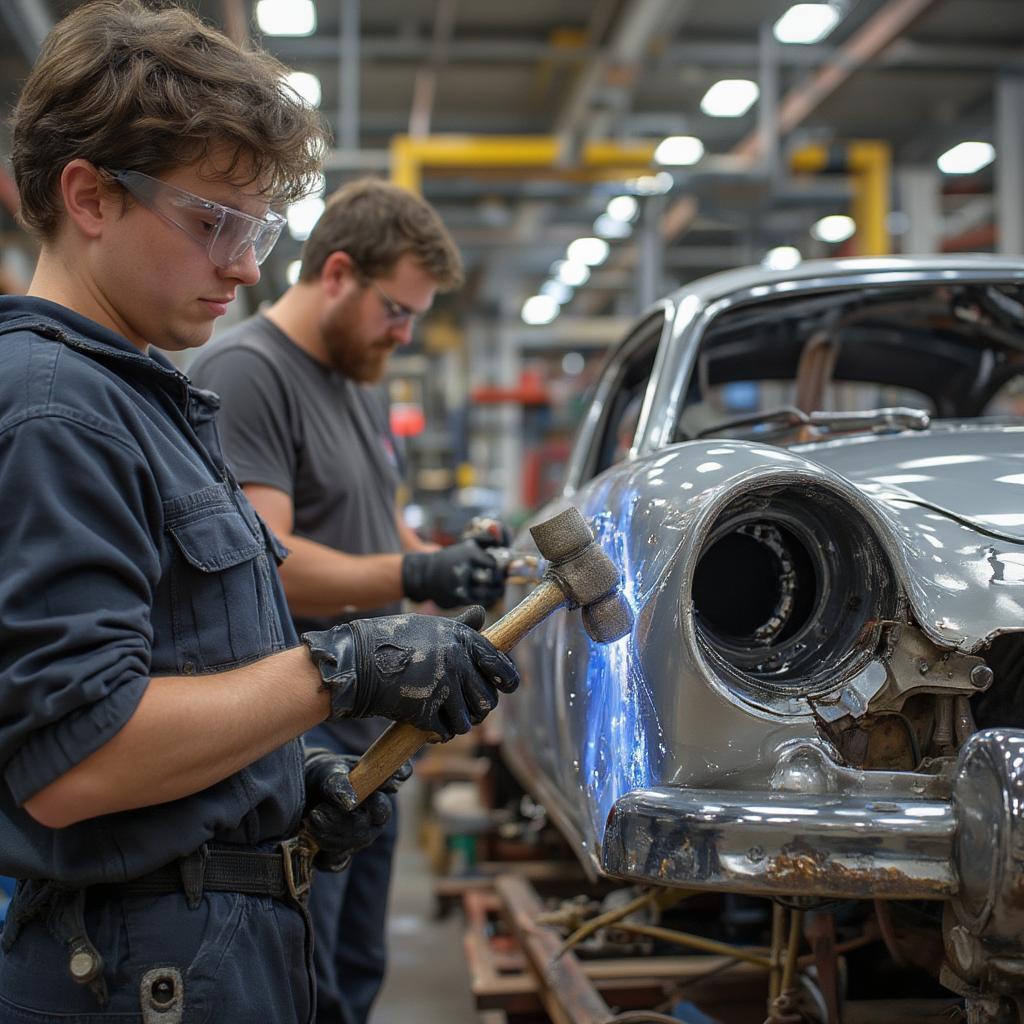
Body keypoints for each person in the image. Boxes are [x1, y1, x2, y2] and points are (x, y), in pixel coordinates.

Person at [0, 4, 519, 1022]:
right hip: (140, 966)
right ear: (89, 195)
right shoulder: (55, 411)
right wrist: (340, 669)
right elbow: (78, 758)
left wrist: (282, 779)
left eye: (258, 230)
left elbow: (188, 661)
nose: (243, 266)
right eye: (212, 223)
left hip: (201, 937)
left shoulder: (143, 398)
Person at [190, 179, 509, 1024]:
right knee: (308, 980)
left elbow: (379, 529)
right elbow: (271, 563)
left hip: (374, 725)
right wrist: (412, 578)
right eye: (397, 312)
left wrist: (447, 565)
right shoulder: (248, 372)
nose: (403, 335)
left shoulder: (360, 381)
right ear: (337, 273)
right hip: (300, 730)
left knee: (358, 970)